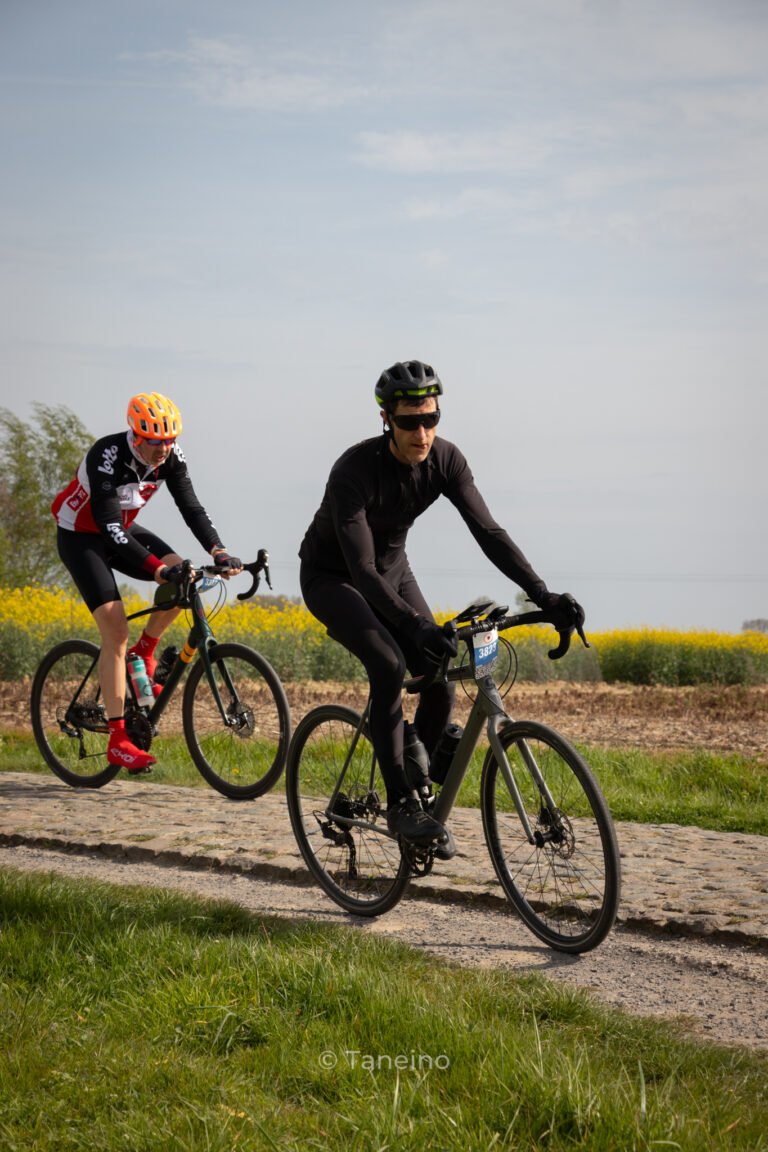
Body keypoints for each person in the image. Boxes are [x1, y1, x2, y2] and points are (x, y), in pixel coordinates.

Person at [299, 360, 584, 848]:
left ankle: (419, 778)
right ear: (386, 419)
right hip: (334, 578)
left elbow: (488, 532)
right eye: (410, 422)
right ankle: (401, 806)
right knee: (389, 664)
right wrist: (414, 625)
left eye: (430, 419)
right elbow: (362, 570)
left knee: (441, 675)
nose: (422, 433)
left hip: (393, 570)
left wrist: (543, 594)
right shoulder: (354, 471)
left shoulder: (446, 460)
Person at [52, 392, 242, 773]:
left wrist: (218, 550)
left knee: (184, 576)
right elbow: (108, 527)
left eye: (170, 440)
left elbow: (191, 507)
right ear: (136, 436)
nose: (164, 448)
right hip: (82, 536)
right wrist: (157, 570)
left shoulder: (171, 457)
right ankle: (118, 740)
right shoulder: (107, 456)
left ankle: (145, 651)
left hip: (122, 530)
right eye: (156, 441)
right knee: (115, 630)